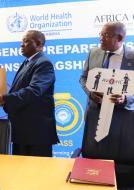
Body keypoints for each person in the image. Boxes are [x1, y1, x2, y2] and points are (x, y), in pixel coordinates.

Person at [0, 30, 59, 157]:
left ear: (39, 44)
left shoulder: (44, 63)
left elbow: (33, 91)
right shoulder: (27, 62)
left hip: (36, 133)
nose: (21, 45)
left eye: (26, 41)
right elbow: (18, 92)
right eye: (21, 42)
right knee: (21, 173)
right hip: (22, 131)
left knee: (37, 174)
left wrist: (3, 98)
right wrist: (1, 101)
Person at [80, 21, 134, 189]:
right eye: (100, 34)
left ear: (120, 38)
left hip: (123, 118)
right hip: (96, 113)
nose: (101, 38)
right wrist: (91, 93)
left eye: (106, 35)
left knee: (122, 165)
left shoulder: (132, 56)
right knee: (93, 160)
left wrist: (126, 98)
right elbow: (83, 78)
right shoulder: (94, 53)